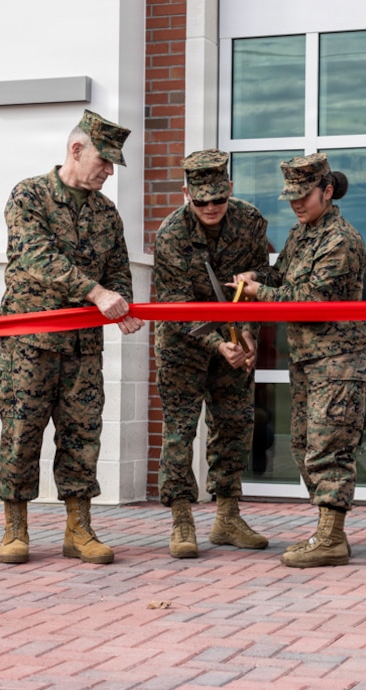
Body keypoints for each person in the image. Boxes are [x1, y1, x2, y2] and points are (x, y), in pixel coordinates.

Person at [0, 110, 144, 565]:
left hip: (83, 344)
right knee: (21, 431)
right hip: (30, 340)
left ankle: (79, 529)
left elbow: (117, 267)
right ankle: (15, 529)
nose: (109, 171)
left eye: (113, 163)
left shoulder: (106, 212)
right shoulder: (29, 195)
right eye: (104, 160)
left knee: (83, 434)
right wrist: (97, 294)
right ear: (76, 150)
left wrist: (123, 306)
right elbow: (37, 257)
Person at [234, 153, 366, 568]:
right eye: (291, 197)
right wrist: (257, 277)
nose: (296, 204)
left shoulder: (341, 240)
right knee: (302, 444)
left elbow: (312, 301)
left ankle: (331, 538)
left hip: (340, 359)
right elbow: (283, 278)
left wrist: (260, 294)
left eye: (304, 196)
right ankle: (328, 531)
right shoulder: (301, 234)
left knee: (329, 447)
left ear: (327, 192)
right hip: (308, 358)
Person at [152, 149, 272, 558]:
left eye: (218, 199)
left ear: (230, 189)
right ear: (186, 193)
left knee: (235, 424)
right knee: (180, 430)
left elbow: (265, 277)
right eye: (200, 200)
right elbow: (176, 305)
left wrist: (247, 335)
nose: (210, 208)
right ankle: (182, 519)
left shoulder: (251, 221)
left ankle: (227, 517)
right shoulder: (171, 233)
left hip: (235, 337)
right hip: (183, 344)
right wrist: (220, 344)